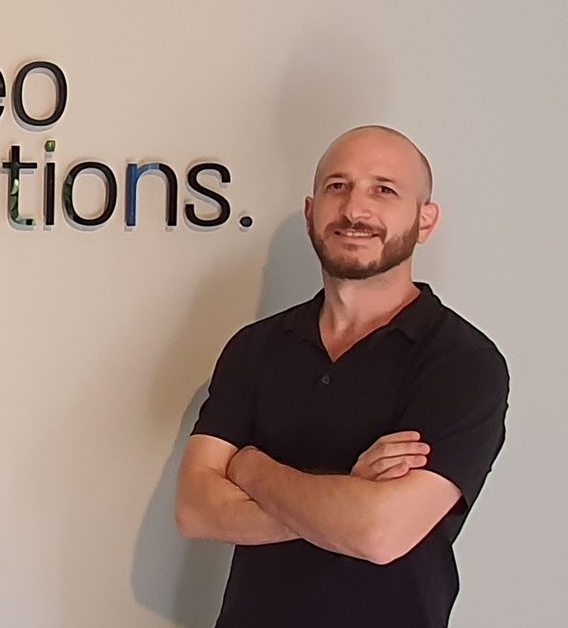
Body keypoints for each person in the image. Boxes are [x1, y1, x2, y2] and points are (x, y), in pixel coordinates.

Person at [175, 125, 509, 628]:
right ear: (311, 212)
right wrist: (347, 492)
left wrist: (251, 468)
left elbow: (379, 532)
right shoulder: (255, 347)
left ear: (425, 220)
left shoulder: (462, 362)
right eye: (338, 186)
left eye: (384, 189)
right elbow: (195, 509)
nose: (355, 209)